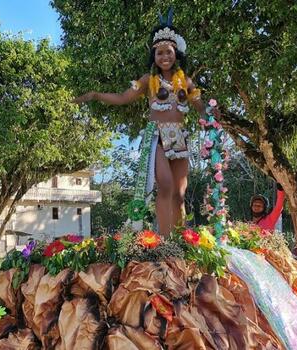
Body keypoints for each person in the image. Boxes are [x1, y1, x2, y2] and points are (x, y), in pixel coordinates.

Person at [74, 10, 220, 235]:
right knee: (165, 185)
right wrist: (96, 95)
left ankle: (180, 240)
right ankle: (164, 239)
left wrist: (211, 112)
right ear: (154, 56)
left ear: (176, 53)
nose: (164, 57)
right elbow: (123, 98)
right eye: (159, 53)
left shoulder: (187, 82)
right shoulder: (147, 81)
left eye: (168, 52)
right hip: (157, 137)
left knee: (180, 193)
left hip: (179, 137)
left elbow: (201, 108)